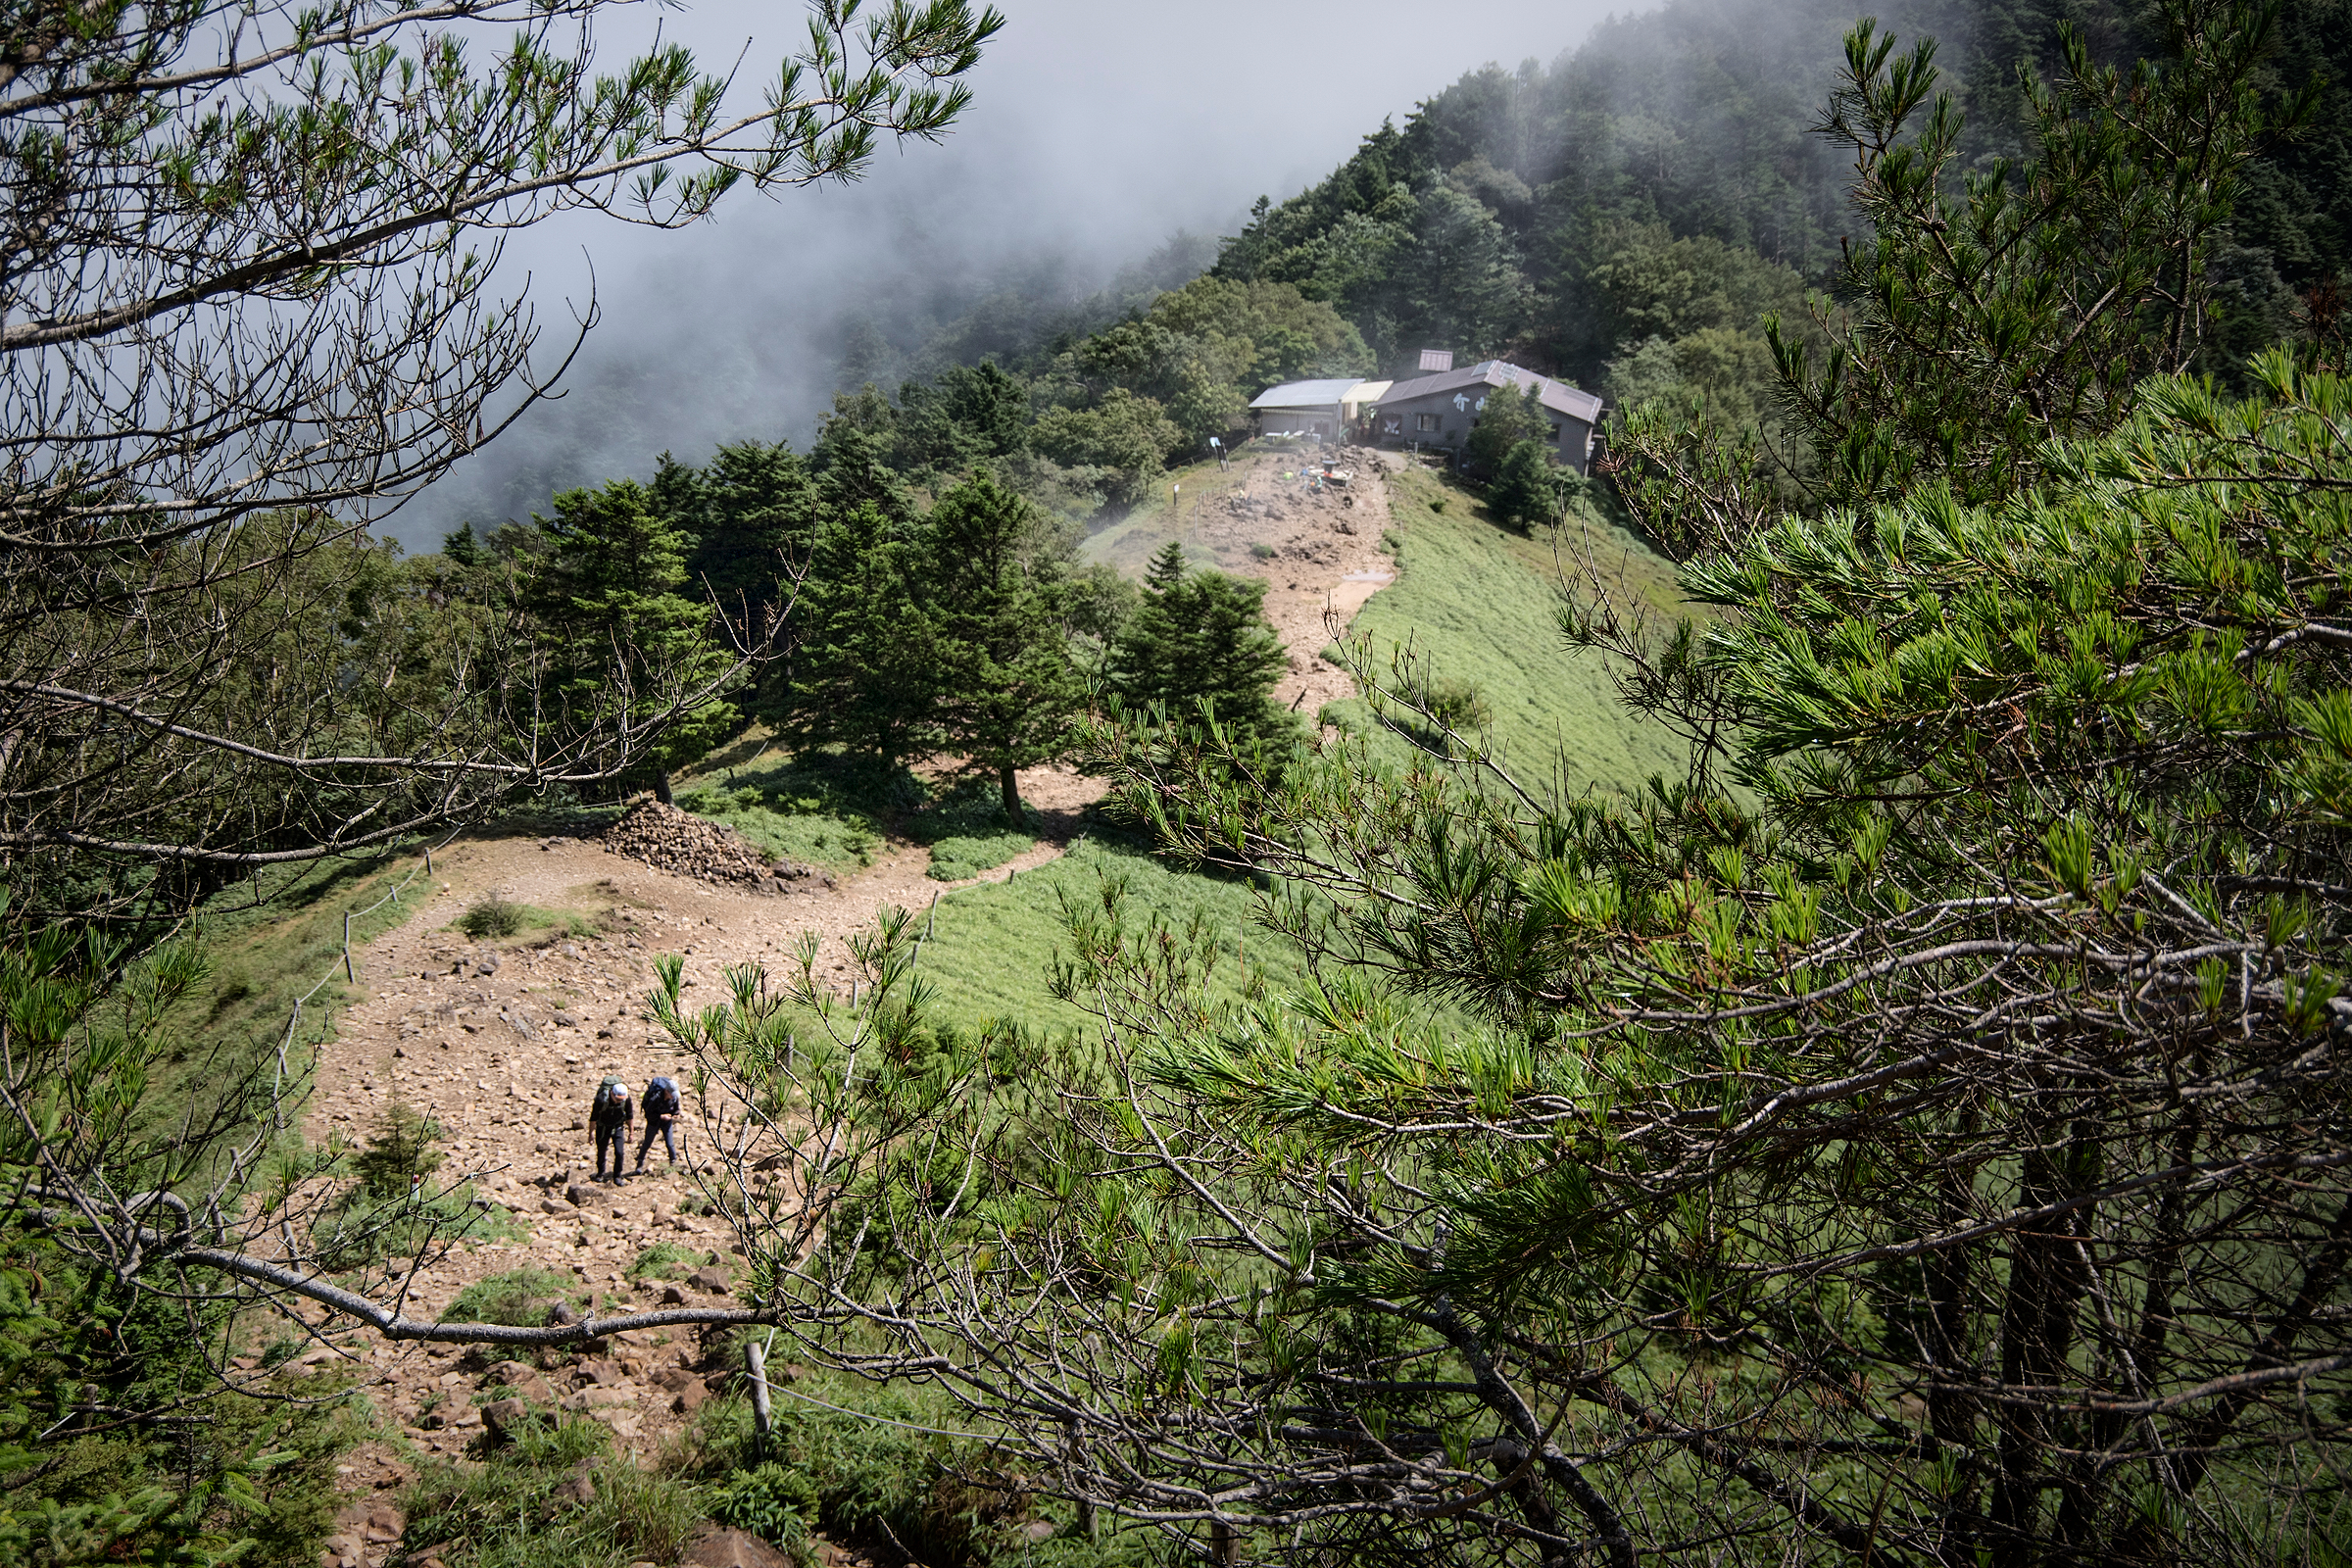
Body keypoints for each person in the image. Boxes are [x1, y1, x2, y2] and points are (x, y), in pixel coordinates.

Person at [636, 1074, 683, 1174]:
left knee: (670, 1144)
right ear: (666, 1091)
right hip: (654, 1122)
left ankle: (673, 1163)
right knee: (647, 1143)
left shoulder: (674, 1098)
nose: (673, 1096)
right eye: (671, 1094)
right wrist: (661, 1116)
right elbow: (648, 1114)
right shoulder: (655, 1098)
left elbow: (676, 1109)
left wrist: (675, 1115)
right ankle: (639, 1164)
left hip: (667, 1123)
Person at [589, 1077, 633, 1183]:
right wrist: (590, 1133)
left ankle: (617, 1176)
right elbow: (593, 1117)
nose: (619, 1101)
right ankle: (600, 1173)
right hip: (603, 1127)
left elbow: (630, 1116)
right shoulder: (601, 1099)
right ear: (612, 1093)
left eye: (621, 1099)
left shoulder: (626, 1100)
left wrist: (631, 1132)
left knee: (619, 1152)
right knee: (601, 1151)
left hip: (618, 1126)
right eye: (618, 1099)